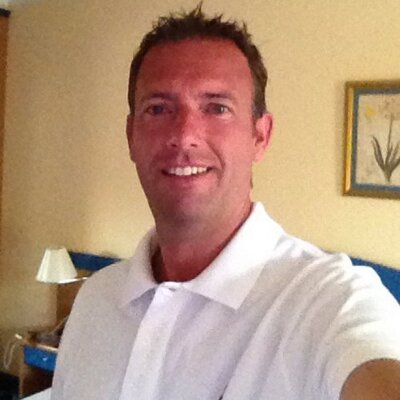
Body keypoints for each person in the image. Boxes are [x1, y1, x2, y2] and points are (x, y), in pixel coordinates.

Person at [51, 5, 400, 400]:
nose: (185, 135)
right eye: (159, 109)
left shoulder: (329, 303)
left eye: (217, 108)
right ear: (131, 135)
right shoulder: (95, 302)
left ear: (260, 136)